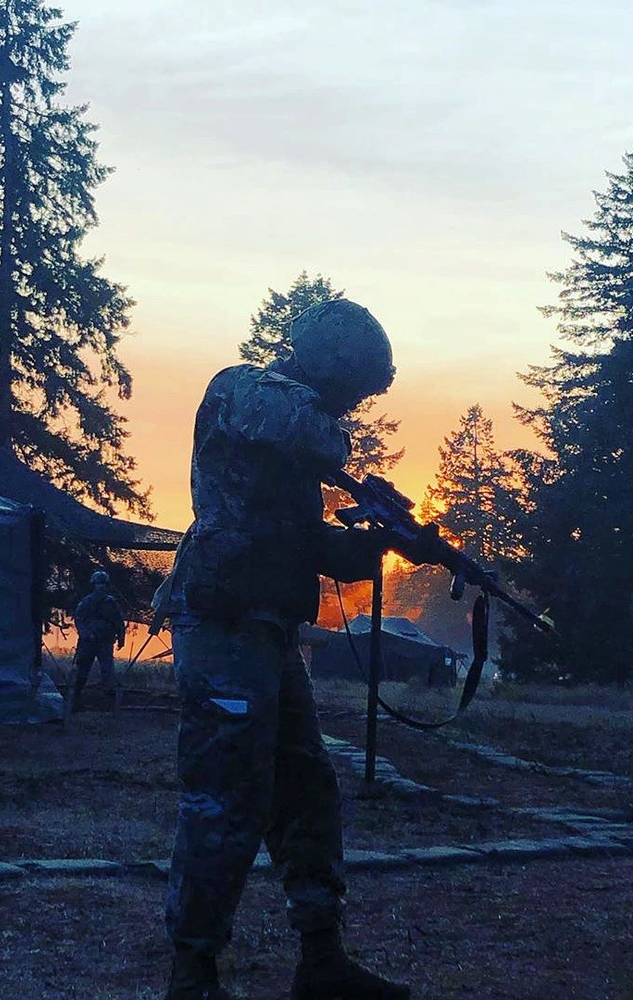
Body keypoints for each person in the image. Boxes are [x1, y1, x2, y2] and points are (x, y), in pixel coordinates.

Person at [154, 299, 412, 1000]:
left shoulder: (291, 450)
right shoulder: (243, 390)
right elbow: (314, 435)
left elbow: (299, 539)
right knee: (226, 797)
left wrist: (378, 545)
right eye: (350, 390)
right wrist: (348, 466)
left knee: (307, 790)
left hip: (266, 632)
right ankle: (192, 972)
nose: (350, 409)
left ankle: (320, 958)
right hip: (221, 625)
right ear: (323, 366)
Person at [71, 570, 126, 710]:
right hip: (88, 641)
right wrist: (86, 634)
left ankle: (108, 702)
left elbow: (119, 620)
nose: (101, 586)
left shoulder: (111, 603)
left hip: (105, 641)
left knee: (107, 671)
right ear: (94, 585)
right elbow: (79, 620)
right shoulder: (86, 602)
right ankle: (75, 699)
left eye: (103, 584)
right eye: (98, 584)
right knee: (82, 669)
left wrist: (121, 638)